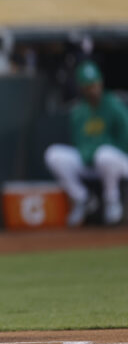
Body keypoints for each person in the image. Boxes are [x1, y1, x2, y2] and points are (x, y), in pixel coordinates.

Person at [45, 61, 128, 226]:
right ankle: (83, 199)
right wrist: (89, 154)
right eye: (89, 86)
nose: (93, 89)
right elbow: (77, 142)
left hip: (118, 161)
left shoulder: (114, 106)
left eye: (95, 84)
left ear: (101, 83)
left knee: (104, 155)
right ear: (82, 88)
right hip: (91, 162)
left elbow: (125, 138)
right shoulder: (79, 112)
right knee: (53, 154)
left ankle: (112, 201)